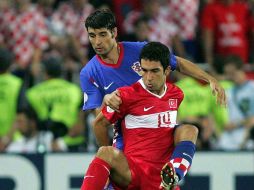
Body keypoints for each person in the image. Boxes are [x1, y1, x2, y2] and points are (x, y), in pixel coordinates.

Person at [81, 42, 195, 190]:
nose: (148, 78)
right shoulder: (125, 95)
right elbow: (98, 124)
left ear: (167, 70)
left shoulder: (177, 94)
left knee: (190, 130)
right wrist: (107, 168)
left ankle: (173, 176)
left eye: (154, 71)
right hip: (133, 172)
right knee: (105, 152)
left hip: (161, 176)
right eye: (144, 70)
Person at [26, 56, 85, 152]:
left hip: (42, 143)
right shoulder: (75, 90)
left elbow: (29, 122)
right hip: (72, 143)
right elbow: (80, 120)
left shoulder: (32, 93)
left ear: (45, 73)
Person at [0, 48, 24, 151]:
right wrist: (6, 139)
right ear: (10, 65)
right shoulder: (17, 84)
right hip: (13, 141)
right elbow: (20, 115)